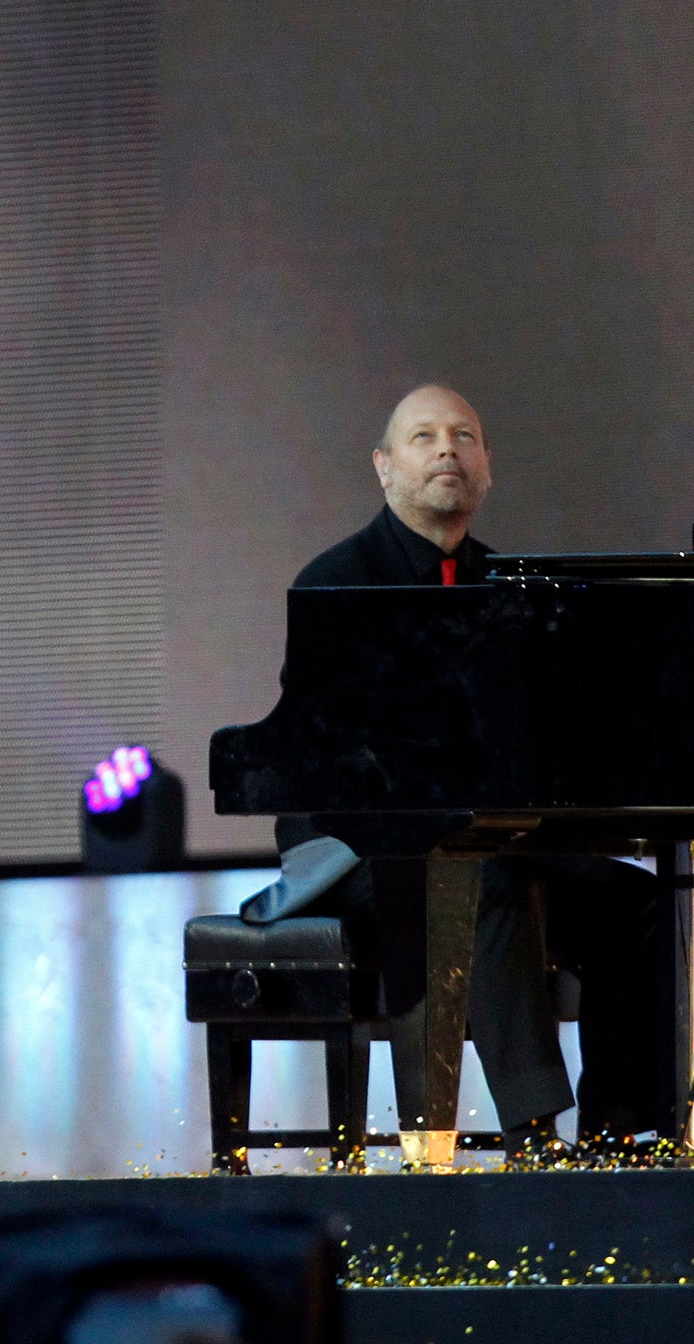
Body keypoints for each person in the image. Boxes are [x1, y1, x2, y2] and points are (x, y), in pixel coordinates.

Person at [245, 384, 669, 1160]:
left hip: (486, 838)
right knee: (487, 881)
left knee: (639, 900)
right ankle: (533, 1133)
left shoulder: (510, 588)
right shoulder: (334, 582)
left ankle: (624, 1127)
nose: (448, 449)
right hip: (354, 850)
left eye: (465, 435)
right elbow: (322, 756)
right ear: (384, 467)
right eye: (425, 436)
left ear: (487, 468)